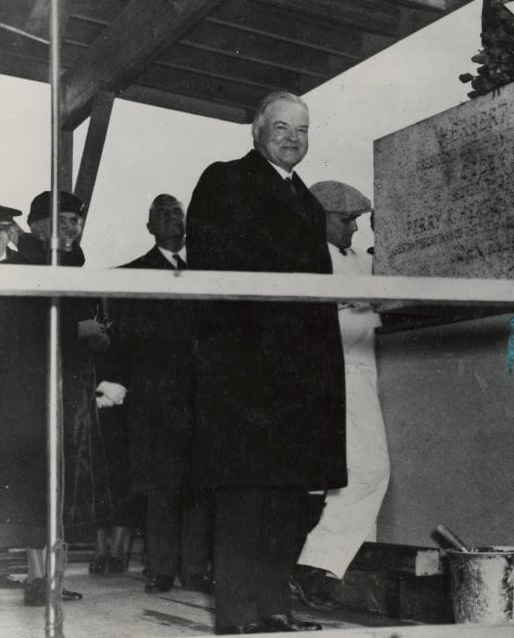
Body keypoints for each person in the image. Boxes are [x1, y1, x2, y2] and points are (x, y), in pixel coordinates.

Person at [187, 91, 345, 634]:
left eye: (302, 130)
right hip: (248, 370)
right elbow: (216, 268)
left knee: (289, 495)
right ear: (256, 131)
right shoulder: (225, 179)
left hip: (300, 376)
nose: (292, 138)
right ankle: (236, 616)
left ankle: (274, 607)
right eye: (281, 127)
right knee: (245, 492)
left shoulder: (308, 202)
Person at [0, 191, 120, 606]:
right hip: (31, 397)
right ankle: (39, 578)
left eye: (76, 222)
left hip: (67, 392)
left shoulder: (68, 265)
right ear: (41, 224)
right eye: (64, 221)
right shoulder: (20, 268)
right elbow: (22, 332)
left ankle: (48, 578)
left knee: (58, 486)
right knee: (36, 485)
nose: (73, 228)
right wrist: (80, 331)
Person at [100, 194, 213, 593]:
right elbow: (127, 338)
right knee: (162, 485)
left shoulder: (210, 271)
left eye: (176, 211)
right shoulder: (131, 275)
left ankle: (195, 569)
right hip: (156, 397)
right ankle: (161, 569)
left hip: (203, 395)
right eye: (160, 214)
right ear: (149, 227)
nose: (169, 218)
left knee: (200, 482)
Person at [290, 181, 390, 611]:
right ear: (319, 218)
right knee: (369, 470)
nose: (354, 229)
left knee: (356, 473)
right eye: (346, 220)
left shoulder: (357, 260)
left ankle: (318, 566)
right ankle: (313, 565)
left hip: (363, 372)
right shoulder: (311, 259)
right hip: (337, 375)